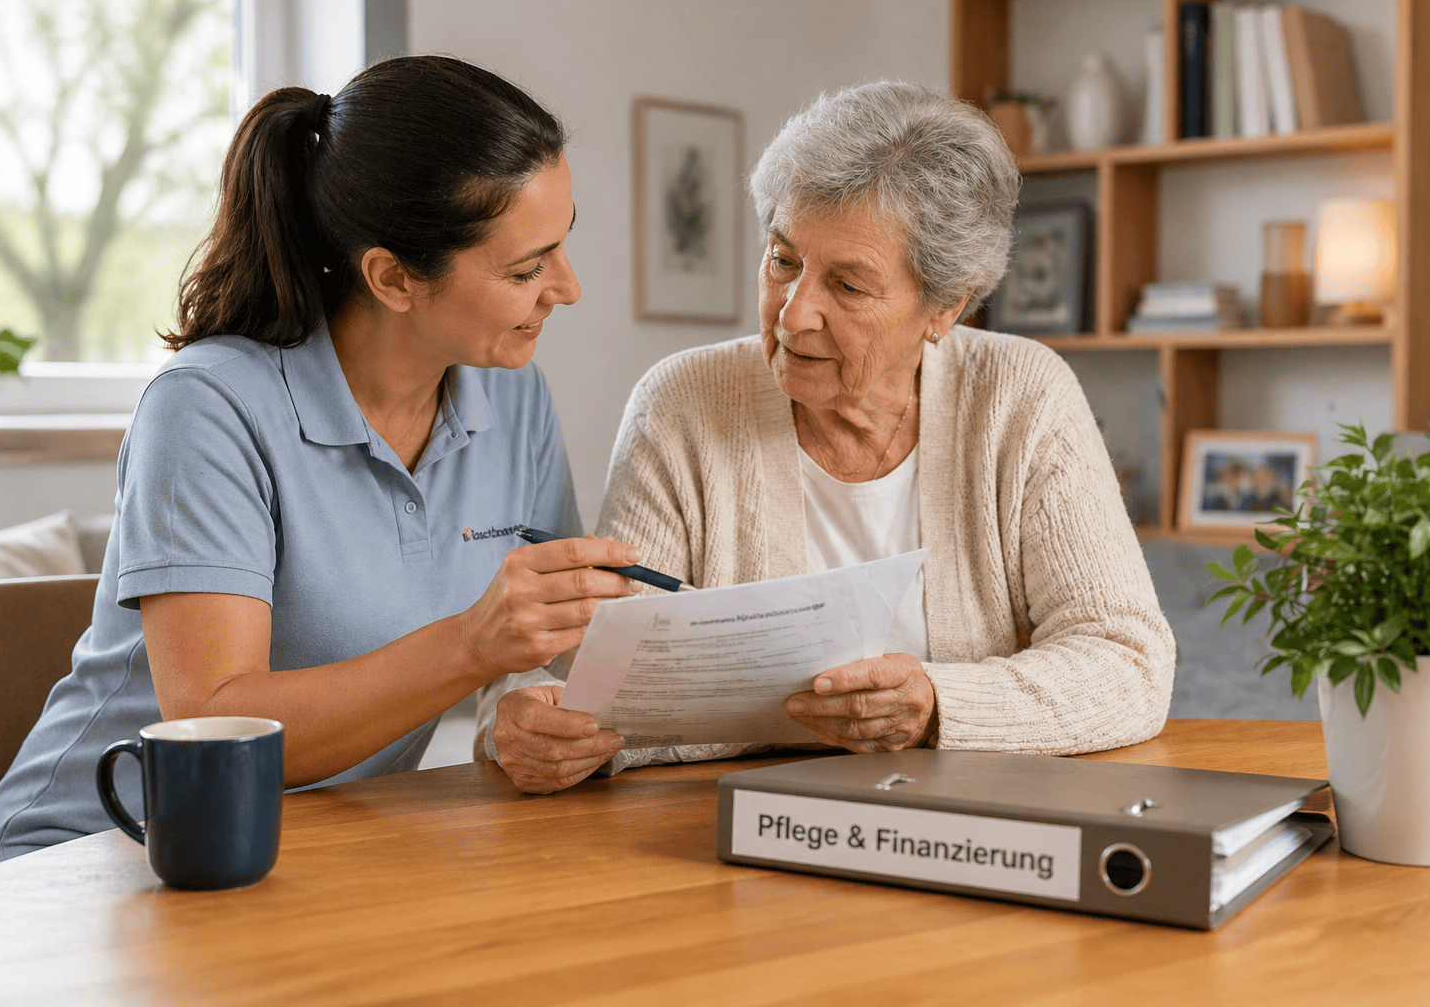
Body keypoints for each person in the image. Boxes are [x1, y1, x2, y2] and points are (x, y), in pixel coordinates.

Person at [0, 56, 640, 869]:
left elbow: (536, 647)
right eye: (527, 268)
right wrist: (470, 645)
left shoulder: (514, 398)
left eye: (561, 245)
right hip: (103, 860)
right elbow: (212, 721)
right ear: (393, 277)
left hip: (317, 855)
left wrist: (522, 712)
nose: (566, 288)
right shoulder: (208, 408)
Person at [481, 82, 1176, 793]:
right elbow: (596, 676)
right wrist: (533, 722)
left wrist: (938, 705)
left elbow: (1128, 662)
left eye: (847, 286)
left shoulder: (1020, 395)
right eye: (783, 261)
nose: (794, 315)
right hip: (731, 832)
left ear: (945, 306)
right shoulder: (684, 402)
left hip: (979, 824)